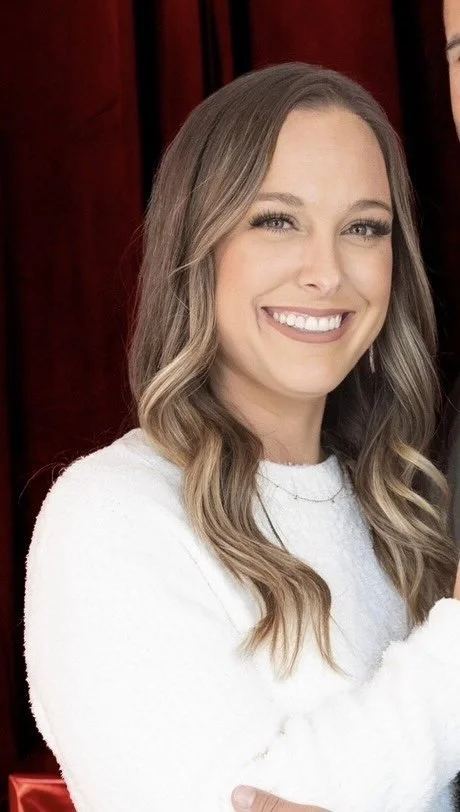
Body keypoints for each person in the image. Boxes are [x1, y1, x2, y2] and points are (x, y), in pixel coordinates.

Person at [24, 63, 460, 812]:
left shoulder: (409, 507)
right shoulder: (108, 511)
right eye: (277, 220)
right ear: (198, 245)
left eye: (364, 227)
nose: (327, 272)